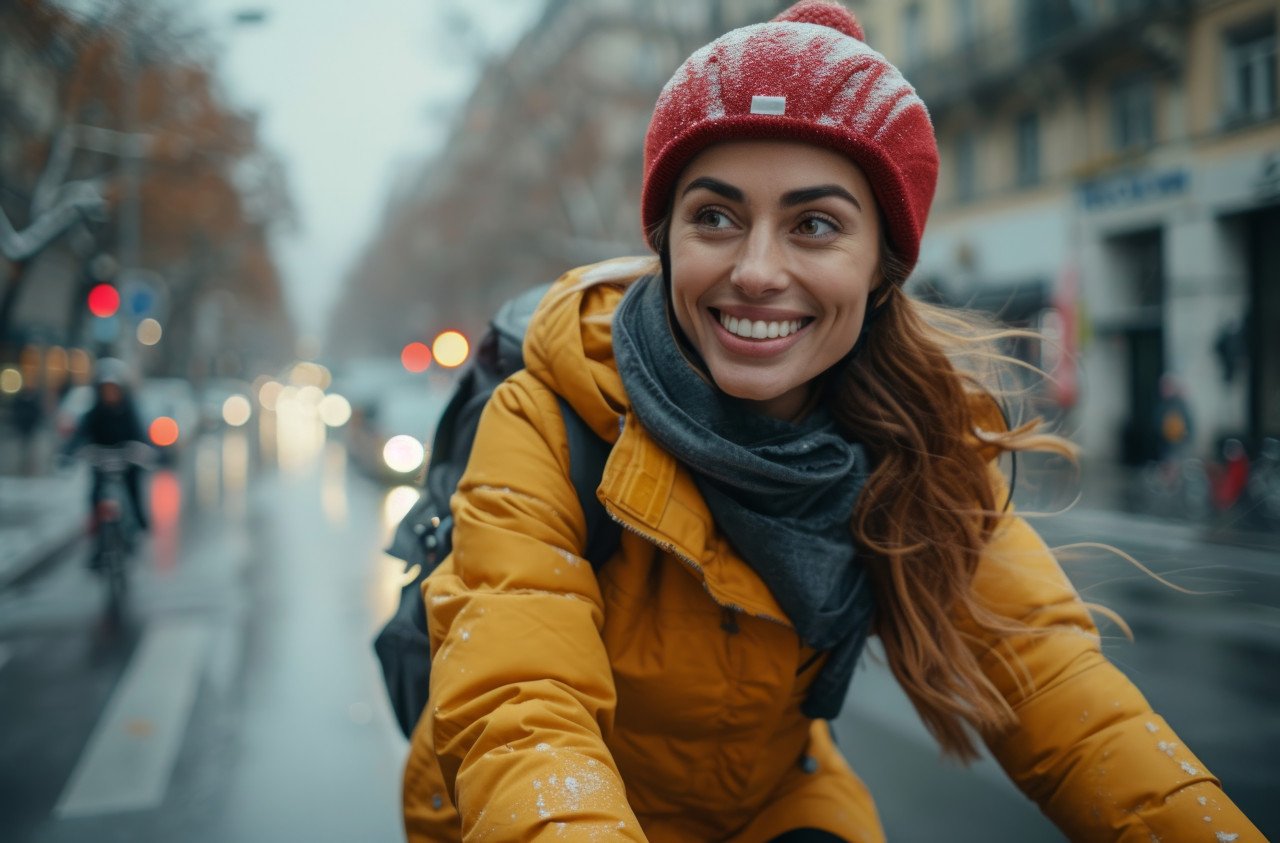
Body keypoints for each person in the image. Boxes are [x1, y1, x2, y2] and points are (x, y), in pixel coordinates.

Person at [401, 3, 1263, 840]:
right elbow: (523, 712)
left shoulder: (915, 440)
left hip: (769, 809)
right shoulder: (550, 418)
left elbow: (1062, 696)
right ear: (665, 240)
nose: (758, 269)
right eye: (715, 217)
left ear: (883, 266)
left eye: (814, 224)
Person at [63, 358, 151, 541]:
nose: (110, 394)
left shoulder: (129, 411)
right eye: (106, 390)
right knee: (95, 496)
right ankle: (96, 539)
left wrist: (146, 450)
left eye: (113, 389)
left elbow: (140, 433)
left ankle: (139, 526)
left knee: (133, 490)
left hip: (125, 463)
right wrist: (67, 453)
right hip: (102, 464)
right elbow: (80, 434)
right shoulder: (94, 412)